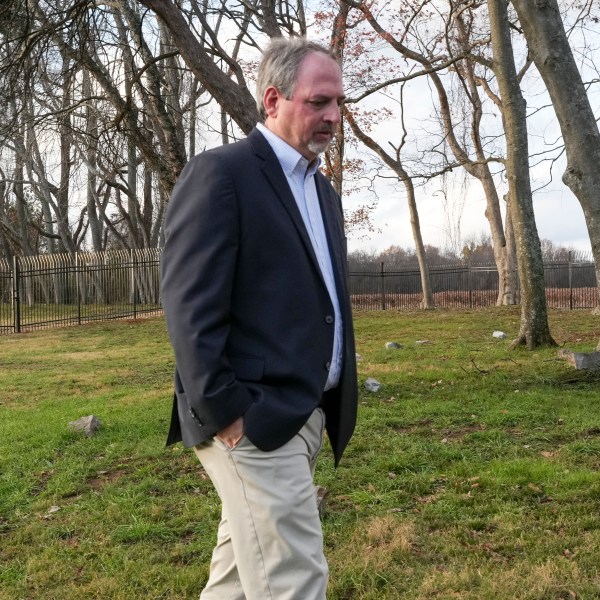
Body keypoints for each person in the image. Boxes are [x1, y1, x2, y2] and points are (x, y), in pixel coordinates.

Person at [160, 36, 358, 600]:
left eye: (339, 103)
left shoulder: (322, 193)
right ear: (273, 99)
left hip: (305, 415)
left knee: (238, 584)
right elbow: (188, 303)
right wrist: (228, 413)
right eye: (318, 102)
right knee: (294, 579)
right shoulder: (222, 174)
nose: (333, 117)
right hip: (253, 423)